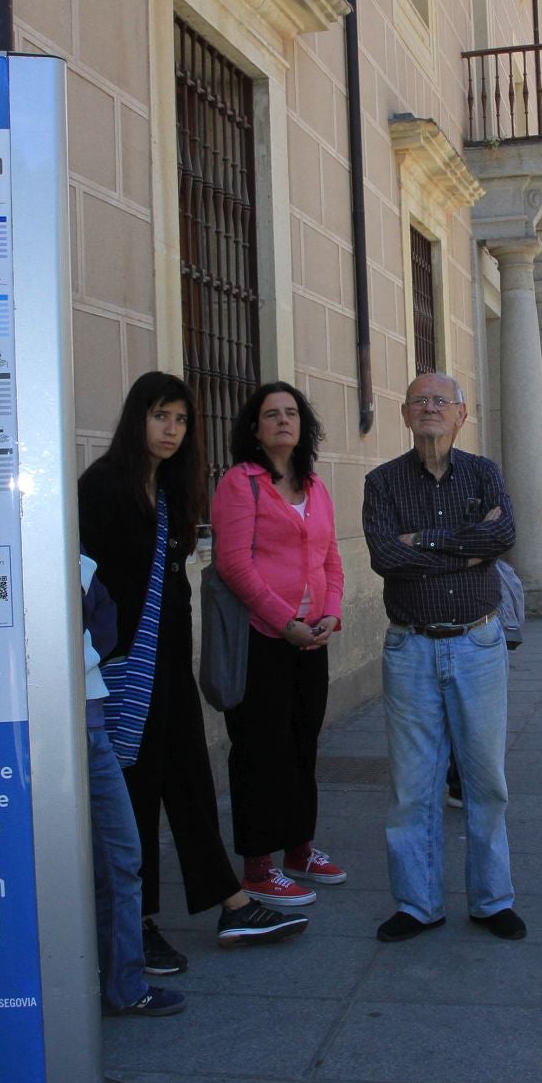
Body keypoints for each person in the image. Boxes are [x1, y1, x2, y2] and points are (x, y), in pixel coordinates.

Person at [79, 372, 308, 970]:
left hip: (167, 663)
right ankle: (139, 921)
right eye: (160, 416)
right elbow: (85, 582)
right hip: (124, 666)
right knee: (135, 792)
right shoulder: (102, 487)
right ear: (137, 419)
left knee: (188, 780)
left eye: (181, 420)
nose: (171, 430)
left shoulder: (169, 489)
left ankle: (230, 903)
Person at [364, 371, 523, 942]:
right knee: (412, 786)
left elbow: (502, 538)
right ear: (405, 416)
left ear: (461, 415)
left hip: (478, 643)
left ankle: (492, 899)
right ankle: (417, 903)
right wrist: (463, 546)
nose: (430, 408)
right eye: (419, 401)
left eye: (441, 401)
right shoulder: (382, 483)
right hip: (410, 645)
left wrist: (422, 543)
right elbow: (385, 556)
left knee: (486, 781)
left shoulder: (484, 474)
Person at [212, 381, 347, 908]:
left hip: (311, 639)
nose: (283, 421)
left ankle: (298, 849)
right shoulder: (239, 484)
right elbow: (234, 564)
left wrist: (330, 614)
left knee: (302, 745)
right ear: (254, 428)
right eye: (272, 414)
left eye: (291, 413)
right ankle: (257, 866)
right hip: (261, 640)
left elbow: (331, 558)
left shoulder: (315, 485)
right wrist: (282, 619)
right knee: (259, 752)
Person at [81, 555, 185, 1017]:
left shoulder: (79, 565)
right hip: (32, 730)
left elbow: (106, 629)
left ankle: (122, 984)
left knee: (121, 856)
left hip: (88, 723)